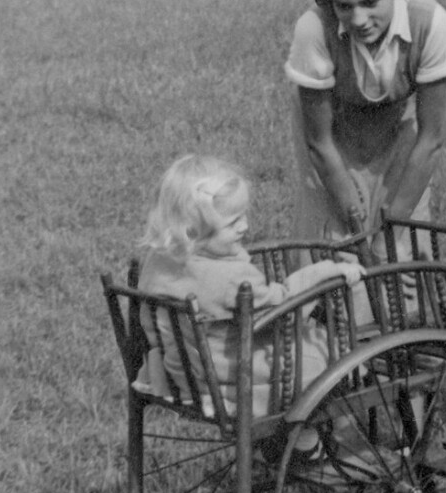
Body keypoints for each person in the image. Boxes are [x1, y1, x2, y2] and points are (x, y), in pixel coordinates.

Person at [136, 155, 363, 459]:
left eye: (243, 215)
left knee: (309, 348)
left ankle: (280, 442)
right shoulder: (229, 280)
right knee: (330, 353)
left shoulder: (158, 262)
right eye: (232, 223)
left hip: (187, 375)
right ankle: (302, 444)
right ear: (193, 233)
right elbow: (282, 309)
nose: (245, 226)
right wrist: (323, 272)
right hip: (235, 379)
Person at [284, 0, 446, 261]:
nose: (359, 19)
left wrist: (390, 231)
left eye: (370, 2)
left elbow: (431, 139)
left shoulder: (430, 21)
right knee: (335, 242)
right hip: (332, 134)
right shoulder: (313, 28)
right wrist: (357, 232)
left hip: (398, 126)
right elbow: (319, 144)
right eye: (344, 6)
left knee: (403, 242)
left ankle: (406, 309)